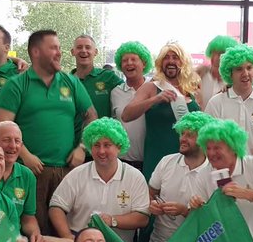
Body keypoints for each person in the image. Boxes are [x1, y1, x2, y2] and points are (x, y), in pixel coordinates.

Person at [0, 29, 96, 236]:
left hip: (68, 172)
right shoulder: (16, 85)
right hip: (30, 172)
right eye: (53, 48)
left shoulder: (71, 82)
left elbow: (92, 117)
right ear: (35, 52)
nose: (59, 53)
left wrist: (82, 147)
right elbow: (2, 127)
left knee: (66, 233)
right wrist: (26, 155)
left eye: (59, 48)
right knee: (33, 234)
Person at [49, 118, 150, 242]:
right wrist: (68, 238)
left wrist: (112, 220)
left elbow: (142, 218)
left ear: (119, 147)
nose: (101, 151)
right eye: (96, 145)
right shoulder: (77, 174)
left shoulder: (135, 176)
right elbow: (56, 208)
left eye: (107, 145)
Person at [121, 41, 201, 181]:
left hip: (188, 160)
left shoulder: (193, 89)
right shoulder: (151, 87)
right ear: (160, 63)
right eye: (166, 57)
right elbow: (126, 115)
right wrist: (155, 100)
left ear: (183, 62)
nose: (170, 61)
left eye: (175, 57)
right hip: (158, 158)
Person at [147, 111, 214, 242]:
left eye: (190, 135)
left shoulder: (215, 171)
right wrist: (152, 204)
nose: (183, 139)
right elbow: (151, 192)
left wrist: (184, 211)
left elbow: (216, 217)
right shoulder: (166, 162)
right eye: (182, 133)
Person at [204, 44, 253, 161]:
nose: (245, 73)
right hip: (222, 170)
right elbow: (207, 140)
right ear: (230, 73)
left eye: (249, 68)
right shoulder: (215, 103)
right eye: (239, 69)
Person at [110, 41, 152, 171]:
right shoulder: (115, 92)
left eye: (134, 59)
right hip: (122, 162)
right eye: (124, 60)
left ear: (144, 63)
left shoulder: (155, 88)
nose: (129, 63)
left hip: (150, 161)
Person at [72, 34, 123, 119]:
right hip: (73, 132)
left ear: (95, 52)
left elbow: (130, 89)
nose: (84, 50)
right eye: (79, 47)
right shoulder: (66, 81)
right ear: (72, 52)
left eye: (88, 47)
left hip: (102, 132)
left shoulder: (108, 77)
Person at [197, 35, 238, 109]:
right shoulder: (199, 76)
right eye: (214, 53)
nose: (216, 58)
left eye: (221, 54)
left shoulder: (235, 83)